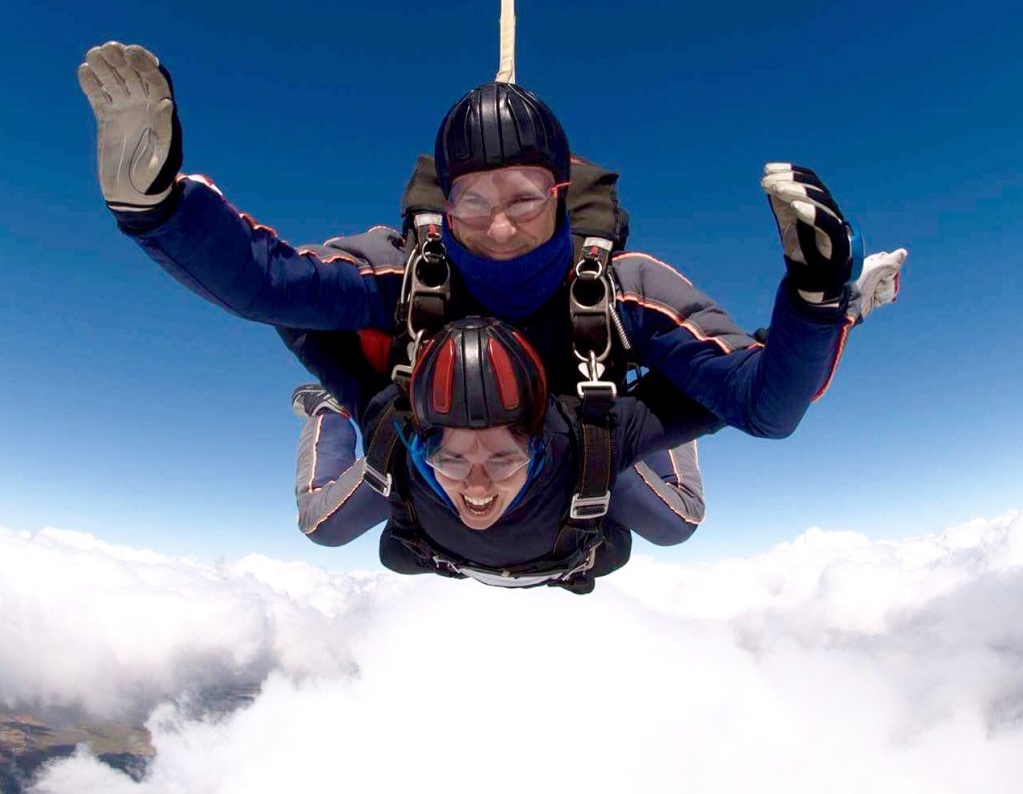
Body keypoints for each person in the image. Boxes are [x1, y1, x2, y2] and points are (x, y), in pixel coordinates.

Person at [78, 42, 904, 451]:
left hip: (576, 451)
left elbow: (764, 407)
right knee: (331, 519)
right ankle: (340, 406)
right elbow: (270, 284)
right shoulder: (409, 268)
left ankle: (832, 325)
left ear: (557, 195)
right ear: (445, 202)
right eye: (472, 200)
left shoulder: (623, 288)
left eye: (520, 198)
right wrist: (155, 207)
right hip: (427, 449)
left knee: (671, 514)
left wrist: (814, 293)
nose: (499, 225)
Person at [292, 316, 725, 592]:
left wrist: (662, 421)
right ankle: (328, 409)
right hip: (436, 460)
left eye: (501, 459)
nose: (477, 485)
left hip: (565, 465)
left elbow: (302, 328)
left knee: (675, 523)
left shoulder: (580, 450)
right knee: (323, 525)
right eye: (453, 458)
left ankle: (660, 416)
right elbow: (298, 324)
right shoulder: (401, 444)